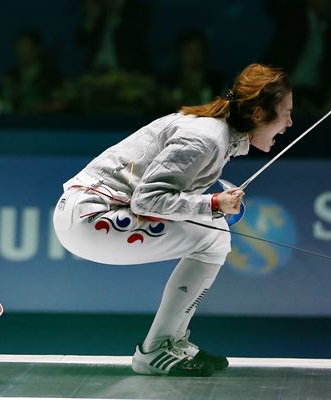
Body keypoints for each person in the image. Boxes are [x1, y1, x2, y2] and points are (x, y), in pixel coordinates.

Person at [53, 64, 293, 376]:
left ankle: (169, 342)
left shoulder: (215, 132)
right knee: (214, 236)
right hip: (90, 217)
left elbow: (164, 196)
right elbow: (147, 200)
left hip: (90, 214)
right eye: (285, 112)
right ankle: (156, 349)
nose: (289, 123)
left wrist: (213, 205)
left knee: (214, 232)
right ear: (259, 114)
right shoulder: (206, 137)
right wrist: (212, 204)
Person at [0, 31, 64, 115]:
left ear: (37, 49)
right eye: (19, 47)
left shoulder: (52, 76)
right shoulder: (9, 76)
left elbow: (61, 102)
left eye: (25, 47)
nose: (21, 51)